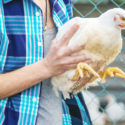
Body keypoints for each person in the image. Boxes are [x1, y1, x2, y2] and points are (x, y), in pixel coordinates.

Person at [0, 0, 92, 125]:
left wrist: (78, 77)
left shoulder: (61, 2)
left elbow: (64, 78)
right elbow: (52, 66)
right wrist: (46, 68)